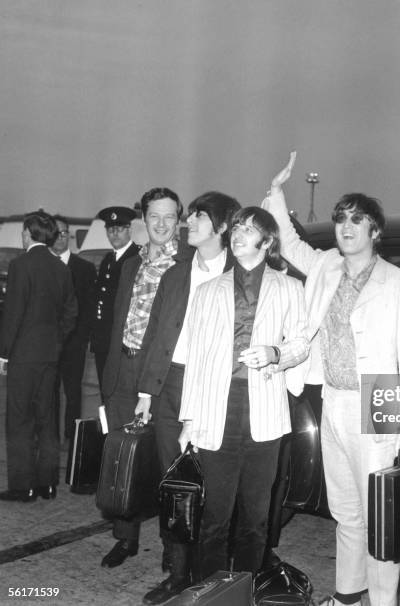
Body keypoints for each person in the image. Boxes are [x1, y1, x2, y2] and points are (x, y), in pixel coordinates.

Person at [263, 153, 400, 606]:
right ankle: (349, 596)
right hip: (331, 398)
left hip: (376, 405)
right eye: (341, 221)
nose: (346, 228)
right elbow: (291, 244)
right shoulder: (327, 266)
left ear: (375, 230)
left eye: (357, 221)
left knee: (380, 518)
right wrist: (277, 195)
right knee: (347, 513)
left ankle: (384, 601)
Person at [178, 207, 309, 583]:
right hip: (217, 409)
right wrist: (189, 419)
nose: (237, 234)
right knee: (214, 515)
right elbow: (194, 357)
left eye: (249, 229)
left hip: (264, 410)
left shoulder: (290, 288)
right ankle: (209, 591)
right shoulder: (206, 291)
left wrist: (276, 354)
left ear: (267, 243)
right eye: (236, 226)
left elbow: (301, 343)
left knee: (255, 516)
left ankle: (246, 589)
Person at [135, 191, 240, 605]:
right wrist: (147, 392)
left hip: (216, 388)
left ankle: (210, 576)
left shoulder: (241, 274)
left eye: (198, 216)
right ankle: (178, 576)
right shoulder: (175, 274)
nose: (188, 222)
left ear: (222, 227)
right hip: (171, 388)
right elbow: (156, 333)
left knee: (211, 486)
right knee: (173, 485)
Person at [100, 188, 182, 568]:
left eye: (169, 216)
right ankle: (125, 537)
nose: (161, 224)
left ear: (178, 218)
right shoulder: (131, 263)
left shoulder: (188, 263)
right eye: (154, 217)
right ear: (143, 220)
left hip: (163, 378)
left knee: (168, 462)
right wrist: (110, 375)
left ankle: (173, 546)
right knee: (122, 460)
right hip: (123, 370)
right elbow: (118, 319)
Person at [0, 212, 77, 502]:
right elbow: (71, 311)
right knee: (47, 418)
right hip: (50, 356)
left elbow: (13, 313)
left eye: (22, 232)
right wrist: (56, 343)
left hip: (23, 355)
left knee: (19, 420)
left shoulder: (21, 265)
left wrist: (4, 353)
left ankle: (23, 486)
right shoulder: (60, 268)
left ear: (28, 233)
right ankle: (47, 484)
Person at [51, 214, 97, 441]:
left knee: (73, 393)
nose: (60, 238)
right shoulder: (43, 266)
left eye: (63, 233)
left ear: (69, 235)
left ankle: (72, 438)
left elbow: (89, 308)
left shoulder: (85, 268)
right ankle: (49, 435)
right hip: (47, 344)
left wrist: (82, 339)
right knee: (48, 393)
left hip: (74, 344)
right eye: (55, 233)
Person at [90, 206, 140, 387]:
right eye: (110, 229)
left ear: (129, 230)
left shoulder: (138, 258)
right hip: (104, 338)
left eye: (119, 229)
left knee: (122, 392)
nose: (114, 234)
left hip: (124, 340)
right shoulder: (108, 260)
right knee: (105, 388)